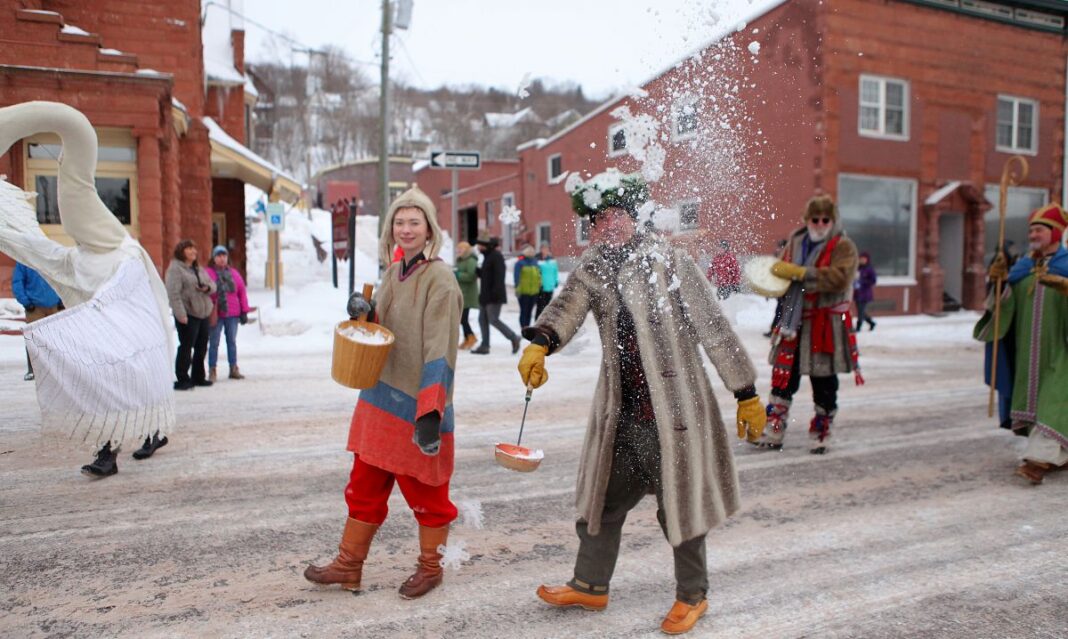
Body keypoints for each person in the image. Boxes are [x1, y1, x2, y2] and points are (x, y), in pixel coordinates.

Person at [517, 169, 767, 636]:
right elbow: (566, 307)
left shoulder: (670, 262)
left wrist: (745, 391)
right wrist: (541, 343)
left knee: (682, 508)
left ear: (634, 217)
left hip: (675, 415)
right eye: (597, 219)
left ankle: (692, 596)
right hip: (622, 414)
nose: (606, 225)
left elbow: (713, 327)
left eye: (615, 215)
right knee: (601, 502)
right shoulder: (593, 266)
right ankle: (590, 584)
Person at [303, 186, 463, 599]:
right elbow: (385, 326)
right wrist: (364, 312)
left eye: (414, 222)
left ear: (429, 230)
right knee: (363, 486)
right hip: (379, 400)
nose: (406, 229)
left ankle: (431, 567)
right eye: (399, 222)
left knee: (427, 493)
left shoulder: (441, 280)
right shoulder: (393, 273)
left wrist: (430, 413)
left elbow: (439, 349)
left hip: (416, 406)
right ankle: (348, 566)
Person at [755, 194, 860, 454]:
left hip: (823, 321)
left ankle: (822, 429)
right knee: (782, 378)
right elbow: (781, 270)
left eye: (826, 219)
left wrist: (804, 274)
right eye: (815, 219)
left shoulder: (843, 246)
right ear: (807, 219)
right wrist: (772, 274)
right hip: (793, 319)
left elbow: (841, 278)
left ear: (833, 220)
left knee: (823, 380)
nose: (820, 223)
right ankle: (774, 428)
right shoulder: (797, 239)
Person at [975, 203, 1068, 485]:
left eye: (1039, 229)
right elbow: (1003, 306)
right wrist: (999, 280)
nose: (1033, 235)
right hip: (1027, 350)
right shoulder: (1024, 266)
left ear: (1055, 232)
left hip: (1060, 348)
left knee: (1053, 398)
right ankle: (1059, 453)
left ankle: (1038, 460)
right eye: (1030, 230)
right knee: (1038, 401)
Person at [165, 239, 216, 390]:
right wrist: (181, 314)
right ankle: (182, 378)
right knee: (186, 347)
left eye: (194, 249)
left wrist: (206, 288)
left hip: (203, 312)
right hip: (188, 313)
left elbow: (213, 285)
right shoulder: (175, 269)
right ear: (181, 251)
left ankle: (198, 376)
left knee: (201, 346)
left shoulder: (197, 268)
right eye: (189, 249)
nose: (193, 252)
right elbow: (173, 293)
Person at [205, 245, 250, 381]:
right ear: (213, 258)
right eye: (219, 256)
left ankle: (233, 368)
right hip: (216, 313)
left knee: (231, 341)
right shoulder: (207, 273)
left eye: (224, 255)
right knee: (214, 342)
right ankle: (212, 369)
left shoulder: (234, 273)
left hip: (233, 313)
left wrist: (244, 310)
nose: (222, 259)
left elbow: (241, 292)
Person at [11, 262, 62, 381]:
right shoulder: (23, 263)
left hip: (54, 306)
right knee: (33, 339)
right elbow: (17, 283)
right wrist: (26, 302)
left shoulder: (48, 259)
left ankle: (57, 369)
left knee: (57, 339)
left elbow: (61, 279)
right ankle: (33, 370)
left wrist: (61, 300)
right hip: (34, 307)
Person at [471, 234, 521, 355]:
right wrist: (478, 271)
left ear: (486, 246)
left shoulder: (496, 257)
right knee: (482, 320)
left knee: (493, 319)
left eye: (480, 245)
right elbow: (486, 275)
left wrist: (494, 295)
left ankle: (513, 337)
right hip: (485, 296)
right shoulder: (488, 257)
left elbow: (499, 277)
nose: (478, 247)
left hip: (493, 297)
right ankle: (485, 345)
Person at [453, 241, 479, 350]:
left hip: (468, 293)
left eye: (461, 249)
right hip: (462, 291)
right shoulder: (461, 260)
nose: (459, 251)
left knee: (463, 318)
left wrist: (458, 274)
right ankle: (467, 338)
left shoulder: (470, 260)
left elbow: (471, 276)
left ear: (466, 250)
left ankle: (471, 337)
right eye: (458, 249)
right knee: (462, 319)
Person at [763, 238, 788, 338]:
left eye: (780, 247)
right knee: (779, 311)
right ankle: (774, 330)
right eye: (778, 247)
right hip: (780, 291)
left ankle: (775, 331)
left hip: (785, 291)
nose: (778, 249)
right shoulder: (776, 259)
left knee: (780, 312)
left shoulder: (787, 259)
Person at [514, 244, 542, 329]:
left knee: (529, 311)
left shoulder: (535, 262)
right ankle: (523, 327)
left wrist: (539, 285)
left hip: (534, 292)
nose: (530, 253)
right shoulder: (520, 263)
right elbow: (516, 277)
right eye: (528, 251)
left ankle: (527, 327)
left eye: (532, 252)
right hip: (523, 292)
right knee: (524, 311)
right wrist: (517, 288)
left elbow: (539, 276)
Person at [854, 251, 877, 331]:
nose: (862, 260)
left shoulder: (869, 269)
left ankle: (858, 327)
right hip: (857, 293)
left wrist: (862, 281)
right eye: (860, 259)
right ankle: (871, 322)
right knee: (861, 311)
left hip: (865, 294)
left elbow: (873, 281)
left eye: (864, 259)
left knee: (861, 311)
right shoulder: (857, 268)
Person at [535, 243, 559, 320]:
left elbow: (555, 271)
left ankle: (544, 322)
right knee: (540, 306)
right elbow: (535, 272)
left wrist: (556, 281)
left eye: (547, 249)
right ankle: (537, 322)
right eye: (543, 248)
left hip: (550, 286)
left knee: (547, 306)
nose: (545, 250)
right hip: (541, 286)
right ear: (541, 249)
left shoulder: (552, 260)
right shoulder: (537, 259)